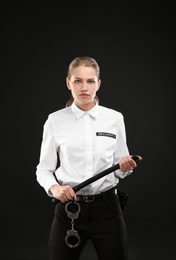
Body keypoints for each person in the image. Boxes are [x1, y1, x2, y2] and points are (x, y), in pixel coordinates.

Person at [36, 56, 142, 260]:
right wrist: (55, 188)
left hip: (108, 209)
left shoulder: (115, 118)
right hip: (70, 209)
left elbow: (120, 167)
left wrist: (126, 167)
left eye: (90, 81)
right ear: (68, 83)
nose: (84, 87)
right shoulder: (55, 120)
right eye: (78, 81)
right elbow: (43, 169)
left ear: (98, 84)